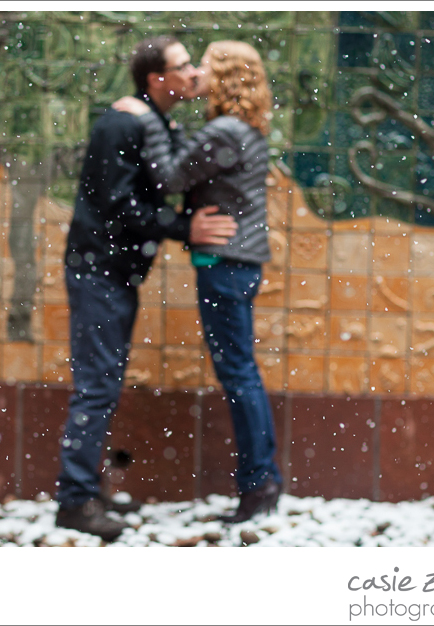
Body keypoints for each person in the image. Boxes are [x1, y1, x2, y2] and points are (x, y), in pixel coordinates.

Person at [54, 36, 239, 542]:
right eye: (183, 67)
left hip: (115, 271)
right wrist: (185, 228)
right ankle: (74, 501)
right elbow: (119, 206)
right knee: (97, 385)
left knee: (104, 382)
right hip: (98, 271)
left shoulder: (155, 120)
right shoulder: (123, 122)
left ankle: (84, 492)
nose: (194, 73)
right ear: (157, 79)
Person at [113, 40, 283, 524]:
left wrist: (144, 117)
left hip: (225, 265)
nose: (196, 74)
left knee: (238, 375)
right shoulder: (239, 128)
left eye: (205, 66)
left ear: (225, 77)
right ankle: (262, 481)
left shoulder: (225, 131)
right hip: (236, 265)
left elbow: (168, 177)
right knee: (241, 372)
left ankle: (259, 484)